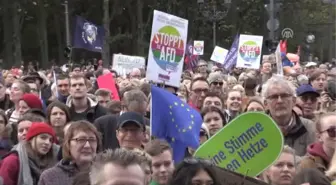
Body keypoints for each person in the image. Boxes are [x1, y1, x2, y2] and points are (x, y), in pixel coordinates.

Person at [262, 76, 315, 156]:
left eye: (284, 96)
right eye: (274, 97)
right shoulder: (256, 131)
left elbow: (314, 161)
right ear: (266, 104)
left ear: (294, 101)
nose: (279, 101)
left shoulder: (310, 127)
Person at [38, 120, 101, 185]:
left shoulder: (105, 174)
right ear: (68, 144)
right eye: (81, 140)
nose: (87, 146)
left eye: (92, 140)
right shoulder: (50, 177)